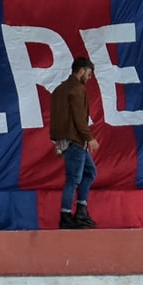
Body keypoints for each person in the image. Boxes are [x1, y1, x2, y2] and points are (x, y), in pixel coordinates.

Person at [49, 57, 100, 229]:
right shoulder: (77, 89)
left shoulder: (58, 90)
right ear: (82, 70)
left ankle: (81, 211)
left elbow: (55, 118)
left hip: (65, 140)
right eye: (89, 73)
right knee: (73, 179)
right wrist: (90, 138)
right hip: (75, 140)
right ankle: (66, 216)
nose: (90, 77)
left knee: (90, 172)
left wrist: (57, 140)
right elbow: (79, 118)